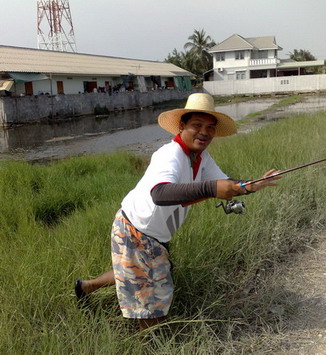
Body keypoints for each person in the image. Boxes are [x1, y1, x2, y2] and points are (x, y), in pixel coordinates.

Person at [74, 93, 281, 330]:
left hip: (155, 233)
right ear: (182, 126)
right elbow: (160, 194)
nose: (204, 132)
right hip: (136, 228)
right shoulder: (169, 155)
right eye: (197, 125)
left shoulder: (201, 157)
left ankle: (86, 286)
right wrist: (213, 189)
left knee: (133, 270)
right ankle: (152, 340)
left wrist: (251, 185)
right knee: (151, 302)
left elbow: (226, 183)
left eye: (210, 128)